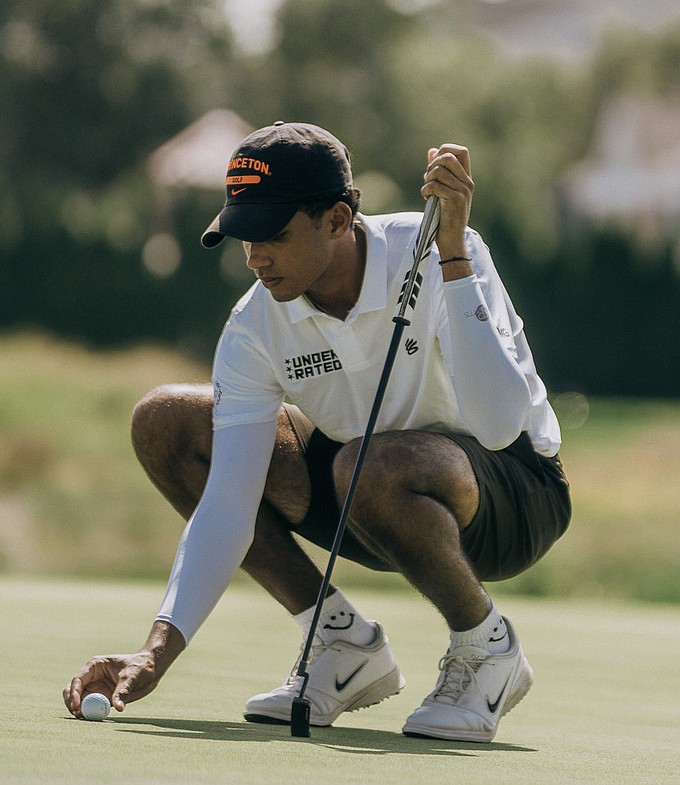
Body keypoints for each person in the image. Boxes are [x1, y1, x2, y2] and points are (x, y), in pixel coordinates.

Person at [62, 121, 571, 743]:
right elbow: (228, 501)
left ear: (335, 219)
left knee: (370, 463)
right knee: (168, 421)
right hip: (361, 488)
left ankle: (486, 648)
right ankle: (340, 642)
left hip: (514, 493)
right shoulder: (255, 326)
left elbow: (497, 425)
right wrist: (155, 652)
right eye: (242, 237)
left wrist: (455, 258)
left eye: (272, 235)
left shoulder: (438, 247)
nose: (254, 258)